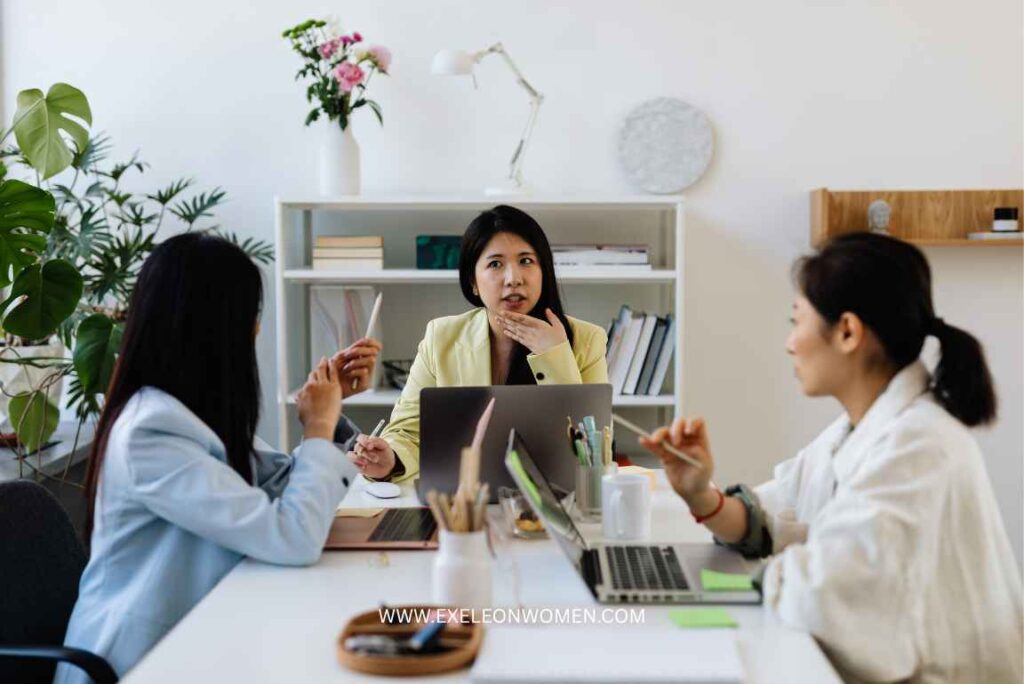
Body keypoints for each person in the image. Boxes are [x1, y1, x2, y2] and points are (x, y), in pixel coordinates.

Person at [640, 232, 1022, 683]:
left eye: (795, 321)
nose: (789, 343)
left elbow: (829, 593)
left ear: (846, 332)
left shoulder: (919, 445)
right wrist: (701, 495)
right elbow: (770, 517)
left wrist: (757, 576)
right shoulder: (858, 429)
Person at [55, 234, 380, 683]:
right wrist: (318, 427)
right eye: (250, 315)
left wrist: (331, 410)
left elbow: (276, 483)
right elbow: (291, 536)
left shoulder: (185, 412)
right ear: (209, 324)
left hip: (200, 634)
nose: (257, 330)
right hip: (140, 662)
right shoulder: (151, 432)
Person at [351, 205, 609, 481]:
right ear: (473, 282)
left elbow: (595, 455)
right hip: (463, 501)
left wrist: (555, 356)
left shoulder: (586, 339)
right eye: (495, 264)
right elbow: (409, 431)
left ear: (543, 272)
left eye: (526, 261)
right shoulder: (442, 337)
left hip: (556, 501)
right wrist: (391, 458)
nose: (514, 279)